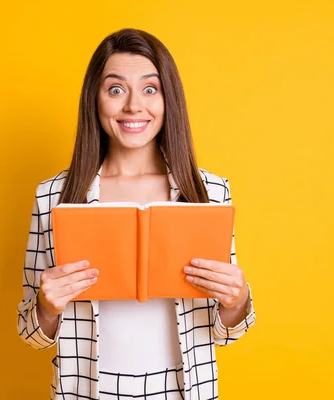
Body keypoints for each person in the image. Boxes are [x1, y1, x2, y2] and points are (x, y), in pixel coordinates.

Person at [16, 28, 257, 400]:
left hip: (183, 391)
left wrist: (237, 300)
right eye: (115, 89)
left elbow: (226, 331)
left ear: (168, 100)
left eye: (150, 89)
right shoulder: (54, 196)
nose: (133, 106)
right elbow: (32, 333)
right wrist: (47, 306)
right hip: (87, 391)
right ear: (94, 99)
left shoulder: (209, 193)